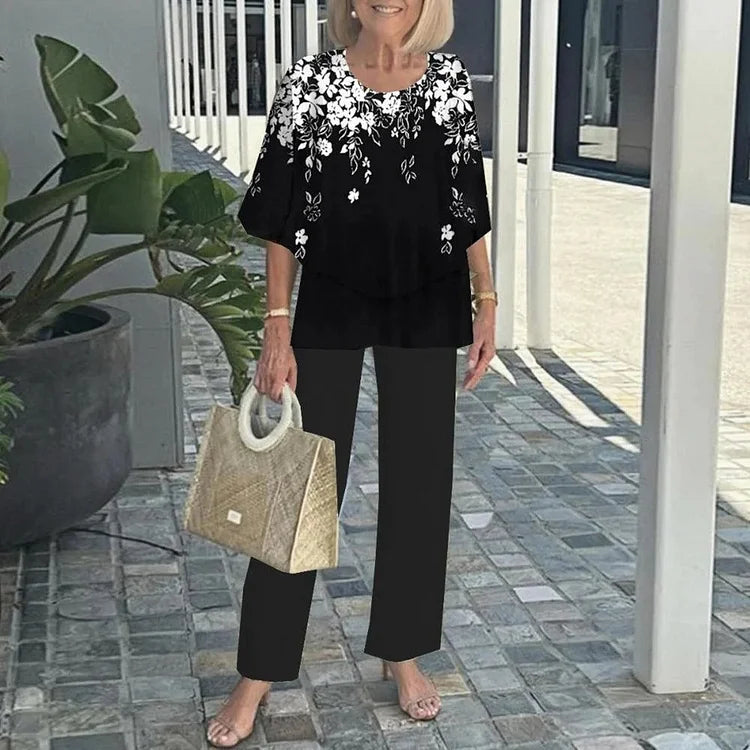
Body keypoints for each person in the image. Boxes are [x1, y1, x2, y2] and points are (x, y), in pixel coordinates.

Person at [205, 0, 497, 746]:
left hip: (428, 298)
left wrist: (487, 299)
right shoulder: (308, 82)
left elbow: (465, 201)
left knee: (419, 482)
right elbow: (281, 214)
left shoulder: (450, 82)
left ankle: (402, 651)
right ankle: (259, 670)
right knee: (300, 481)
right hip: (330, 294)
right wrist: (277, 324)